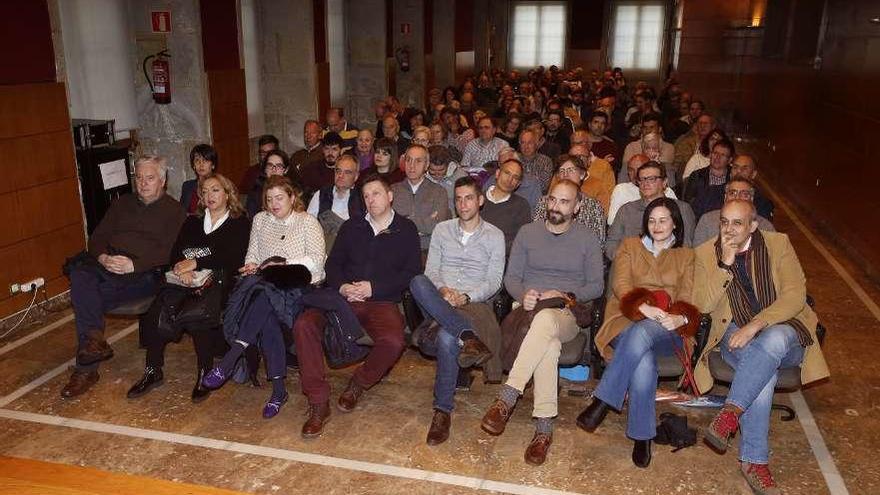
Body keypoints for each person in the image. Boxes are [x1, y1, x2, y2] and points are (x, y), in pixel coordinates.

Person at [693, 200, 829, 495]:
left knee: (773, 339)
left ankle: (731, 412)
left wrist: (756, 325)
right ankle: (754, 462)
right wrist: (724, 266)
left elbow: (795, 295)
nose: (728, 229)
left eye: (737, 223)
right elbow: (702, 304)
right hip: (733, 334)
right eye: (724, 222)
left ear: (753, 226)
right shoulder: (706, 253)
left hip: (786, 329)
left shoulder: (778, 244)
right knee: (762, 373)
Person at [480, 180, 604, 466]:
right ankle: (543, 430)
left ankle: (508, 396)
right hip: (527, 307)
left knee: (547, 319)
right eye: (552, 200)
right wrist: (524, 294)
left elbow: (596, 285)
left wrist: (563, 294)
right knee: (548, 348)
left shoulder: (587, 239)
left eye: (564, 202)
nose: (556, 207)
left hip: (565, 311)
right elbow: (511, 278)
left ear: (577, 207)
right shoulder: (528, 232)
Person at [292, 174, 422, 438]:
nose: (370, 199)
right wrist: (342, 286)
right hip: (342, 298)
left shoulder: (405, 229)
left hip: (381, 300)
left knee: (394, 342)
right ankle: (318, 401)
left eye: (376, 193)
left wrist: (374, 288)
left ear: (389, 196)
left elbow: (411, 272)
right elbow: (333, 265)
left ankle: (359, 383)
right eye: (366, 195)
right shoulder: (352, 227)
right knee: (304, 324)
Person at [577, 198, 700, 468]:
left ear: (675, 223)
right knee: (642, 357)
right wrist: (643, 308)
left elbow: (689, 295)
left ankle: (603, 400)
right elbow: (621, 285)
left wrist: (678, 316)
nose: (656, 226)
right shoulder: (630, 246)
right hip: (625, 318)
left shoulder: (687, 255)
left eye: (663, 220)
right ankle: (642, 435)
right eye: (652, 220)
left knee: (644, 335)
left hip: (668, 328)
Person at [62, 156, 186, 398]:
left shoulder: (175, 211)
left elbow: (172, 250)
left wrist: (134, 264)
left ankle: (86, 368)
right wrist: (103, 258)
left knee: (86, 295)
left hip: (144, 273)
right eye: (138, 177)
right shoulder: (122, 204)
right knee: (79, 273)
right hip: (110, 264)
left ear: (162, 180)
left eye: (149, 178)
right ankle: (93, 342)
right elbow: (96, 239)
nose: (143, 183)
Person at [202, 175, 325, 418]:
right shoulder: (260, 220)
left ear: (292, 197)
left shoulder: (307, 222)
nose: (274, 204)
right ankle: (278, 391)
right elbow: (252, 254)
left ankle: (231, 359)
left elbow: (316, 262)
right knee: (265, 304)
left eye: (280, 198)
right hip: (263, 287)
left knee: (266, 295)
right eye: (269, 199)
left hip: (296, 287)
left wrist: (282, 264)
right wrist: (251, 265)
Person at [127, 173, 250, 402]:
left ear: (227, 194)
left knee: (197, 315)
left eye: (215, 190)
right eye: (204, 191)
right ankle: (153, 370)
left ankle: (205, 372)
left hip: (220, 282)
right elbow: (176, 252)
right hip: (186, 278)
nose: (209, 195)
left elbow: (234, 257)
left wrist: (197, 262)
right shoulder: (193, 221)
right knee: (157, 309)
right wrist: (185, 269)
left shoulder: (239, 222)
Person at [409, 177, 506, 445]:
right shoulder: (442, 229)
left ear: (480, 200)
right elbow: (431, 273)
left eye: (469, 198)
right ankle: (468, 337)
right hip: (440, 301)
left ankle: (442, 411)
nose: (463, 204)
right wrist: (443, 291)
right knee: (417, 281)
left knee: (446, 337)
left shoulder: (494, 236)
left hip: (474, 305)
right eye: (459, 198)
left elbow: (494, 281)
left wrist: (465, 296)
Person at [607, 161, 695, 259]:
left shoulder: (682, 209)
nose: (645, 183)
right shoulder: (627, 210)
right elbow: (611, 243)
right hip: (631, 267)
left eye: (651, 179)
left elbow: (687, 246)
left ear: (664, 182)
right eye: (642, 179)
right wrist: (624, 258)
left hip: (669, 267)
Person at [532, 154, 606, 247]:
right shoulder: (545, 201)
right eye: (561, 171)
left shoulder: (594, 206)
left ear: (582, 175)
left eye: (570, 170)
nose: (565, 174)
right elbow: (535, 233)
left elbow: (598, 242)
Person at [391, 145, 451, 252]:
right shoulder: (393, 190)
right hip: (396, 248)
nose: (412, 165)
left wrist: (404, 221)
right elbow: (388, 225)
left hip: (427, 250)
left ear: (426, 165)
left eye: (418, 161)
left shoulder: (439, 192)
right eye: (408, 160)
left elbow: (436, 226)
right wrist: (424, 223)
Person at [693, 178, 775, 246]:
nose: (737, 197)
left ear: (752, 199)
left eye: (744, 194)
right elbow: (698, 257)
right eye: (732, 193)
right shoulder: (707, 221)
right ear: (725, 197)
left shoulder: (766, 226)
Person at [306, 155, 365, 249]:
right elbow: (307, 224)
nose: (341, 176)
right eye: (338, 171)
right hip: (321, 247)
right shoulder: (321, 194)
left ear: (356, 176)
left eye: (347, 172)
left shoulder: (363, 198)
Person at [481, 158, 533, 255]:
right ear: (497, 173)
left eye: (515, 177)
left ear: (518, 184)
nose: (510, 180)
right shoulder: (477, 199)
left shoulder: (521, 206)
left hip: (501, 259)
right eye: (507, 173)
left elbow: (521, 241)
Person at [608, 153, 677, 225]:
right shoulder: (621, 189)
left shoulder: (667, 191)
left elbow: (677, 219)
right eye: (631, 170)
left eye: (639, 169)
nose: (635, 174)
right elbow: (611, 221)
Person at [683, 138, 735, 219]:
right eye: (715, 153)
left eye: (722, 155)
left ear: (730, 160)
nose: (717, 157)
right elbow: (688, 206)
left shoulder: (734, 179)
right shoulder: (696, 176)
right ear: (710, 154)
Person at [245, 149, 292, 219]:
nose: (274, 169)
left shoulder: (292, 189)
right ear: (265, 169)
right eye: (270, 165)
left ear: (286, 170)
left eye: (278, 166)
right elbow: (253, 218)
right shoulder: (255, 191)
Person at [300, 132, 343, 201]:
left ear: (340, 150)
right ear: (323, 150)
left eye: (334, 149)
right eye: (327, 149)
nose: (330, 153)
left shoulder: (345, 171)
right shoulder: (311, 169)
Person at [426, 145, 467, 213]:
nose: (437, 174)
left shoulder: (461, 177)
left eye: (441, 170)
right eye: (432, 170)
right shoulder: (420, 175)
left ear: (448, 165)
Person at [180, 144, 218, 215]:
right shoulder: (187, 186)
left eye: (205, 160)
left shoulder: (221, 185)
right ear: (193, 166)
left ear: (213, 165)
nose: (201, 164)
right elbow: (181, 212)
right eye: (197, 160)